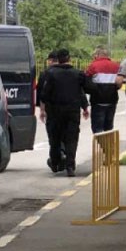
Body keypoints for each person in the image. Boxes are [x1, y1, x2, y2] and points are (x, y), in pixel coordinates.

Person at [40, 49, 90, 177]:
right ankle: (70, 166)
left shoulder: (50, 74)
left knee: (55, 138)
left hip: (55, 112)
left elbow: (44, 94)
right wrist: (84, 107)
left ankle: (55, 162)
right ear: (69, 59)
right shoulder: (77, 74)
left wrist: (44, 108)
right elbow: (83, 91)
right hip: (72, 112)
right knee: (71, 139)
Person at [84, 46, 120, 133]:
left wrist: (91, 91)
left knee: (97, 129)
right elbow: (119, 83)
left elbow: (86, 82)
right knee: (109, 127)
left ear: (97, 55)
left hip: (98, 101)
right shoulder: (116, 66)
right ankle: (108, 146)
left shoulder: (93, 66)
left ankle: (101, 146)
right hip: (112, 100)